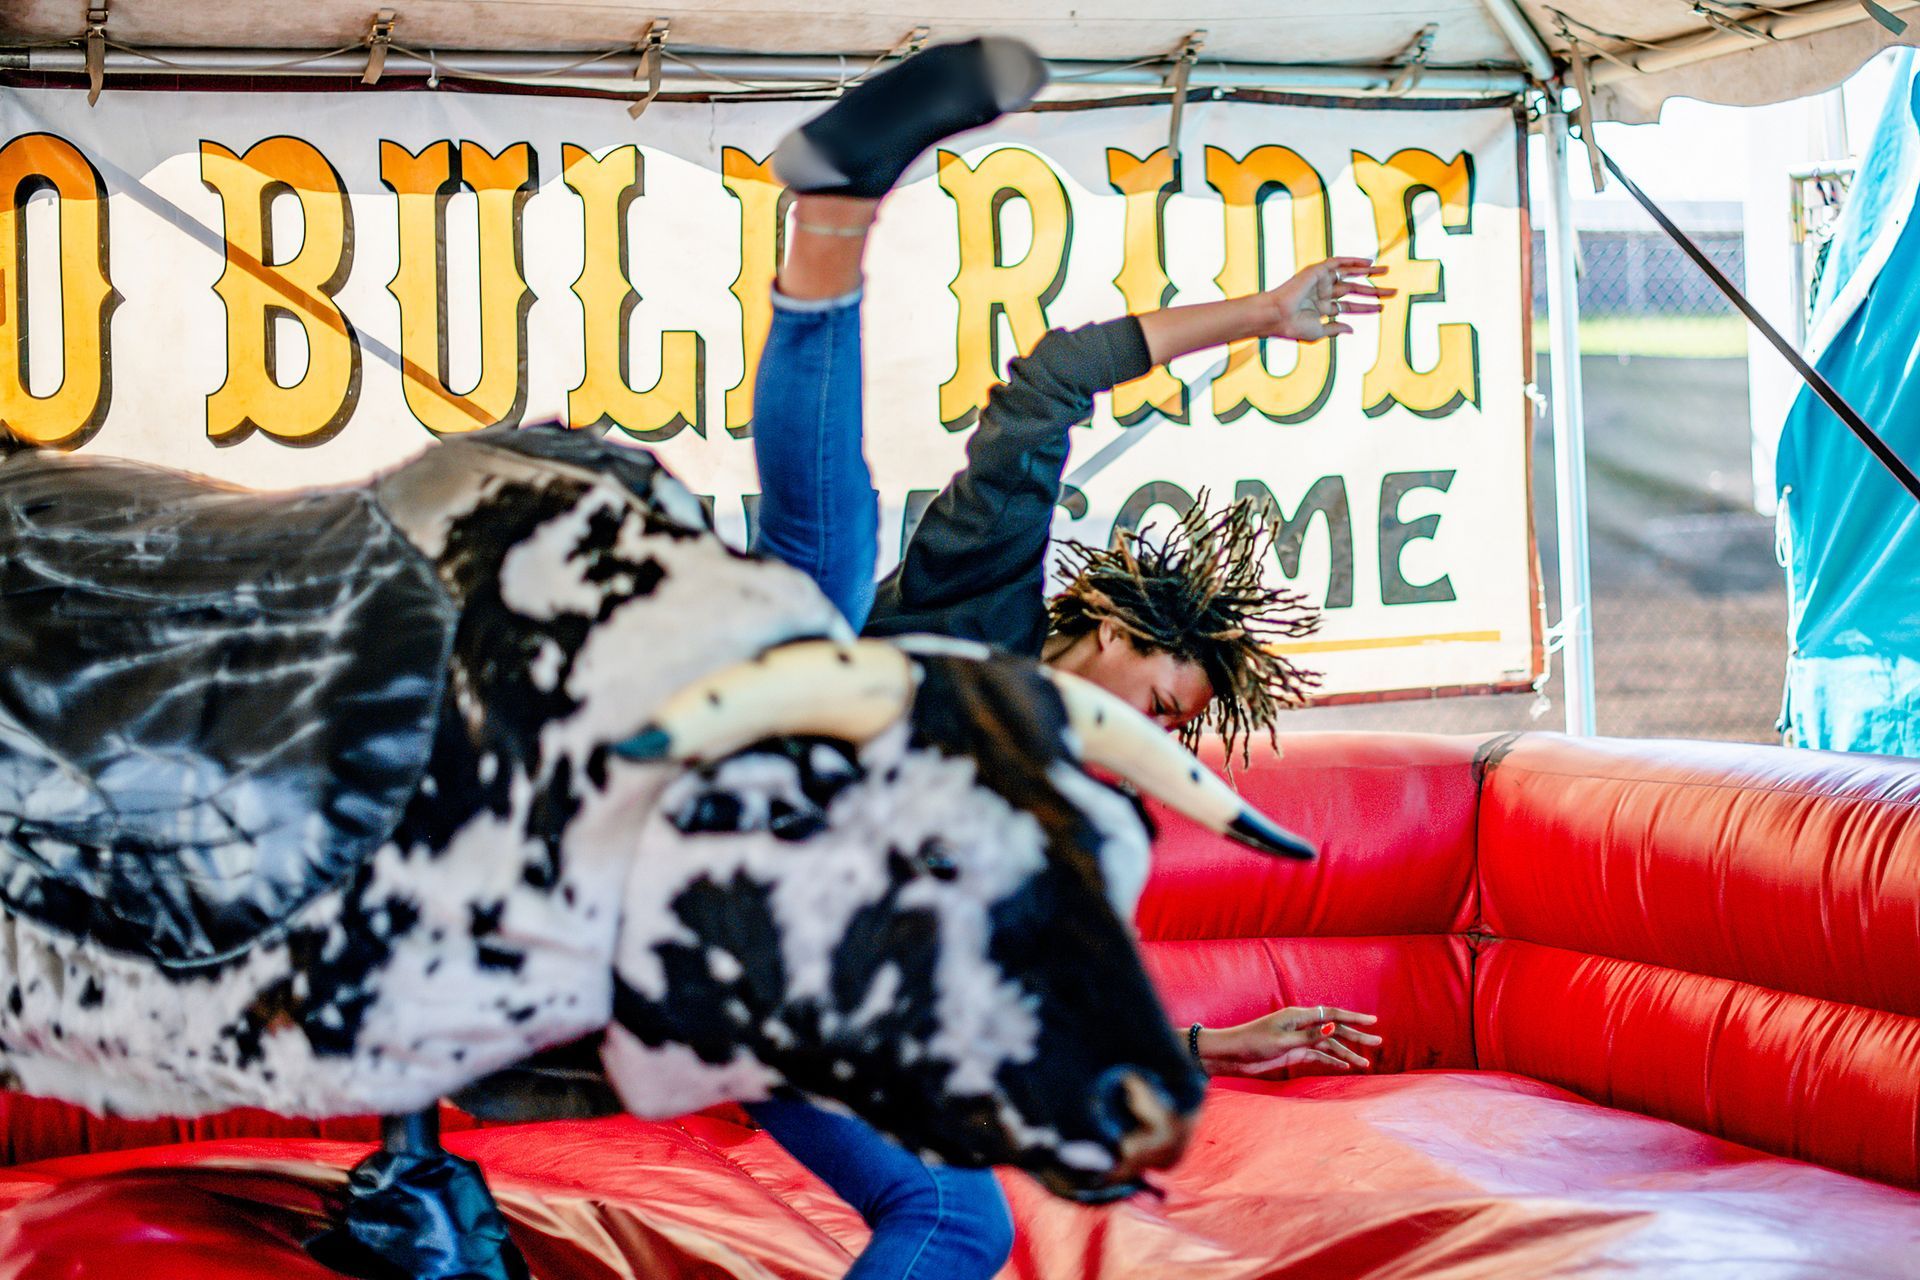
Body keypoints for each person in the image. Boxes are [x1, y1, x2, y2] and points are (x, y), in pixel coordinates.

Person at [743, 37, 1383, 1280]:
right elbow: (1049, 385)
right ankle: (832, 211)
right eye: (1159, 698)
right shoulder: (985, 584)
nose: (1151, 737)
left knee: (960, 1223)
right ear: (1113, 634)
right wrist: (1257, 315)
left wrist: (1213, 1050)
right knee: (825, 561)